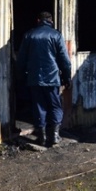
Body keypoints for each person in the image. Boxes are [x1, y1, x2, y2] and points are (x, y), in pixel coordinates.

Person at [17, 11, 71, 146]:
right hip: (52, 78)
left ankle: (42, 137)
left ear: (38, 20)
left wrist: (20, 77)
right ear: (51, 21)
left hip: (34, 78)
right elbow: (64, 60)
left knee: (38, 106)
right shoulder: (56, 35)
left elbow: (21, 60)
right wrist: (66, 77)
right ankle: (54, 136)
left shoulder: (29, 35)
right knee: (55, 106)